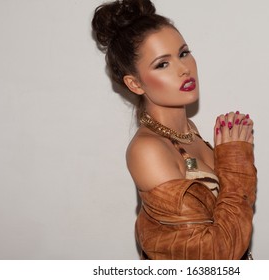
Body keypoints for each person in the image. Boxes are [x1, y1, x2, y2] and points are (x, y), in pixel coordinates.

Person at [92, 0, 257, 260]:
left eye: (183, 53)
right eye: (162, 64)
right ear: (135, 83)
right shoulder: (148, 150)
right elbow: (214, 255)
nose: (184, 69)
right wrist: (236, 162)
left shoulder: (190, 132)